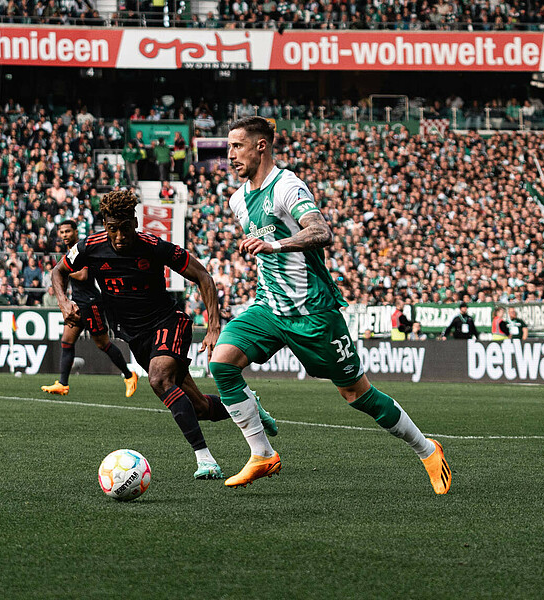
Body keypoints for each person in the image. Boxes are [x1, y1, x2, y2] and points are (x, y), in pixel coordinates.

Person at [208, 116, 450, 494]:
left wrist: (276, 244)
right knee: (221, 364)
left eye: (237, 146)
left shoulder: (287, 186)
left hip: (314, 314)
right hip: (270, 307)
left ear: (261, 146)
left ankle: (427, 449)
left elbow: (321, 231)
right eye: (228, 147)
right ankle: (262, 454)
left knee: (356, 394)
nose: (230, 155)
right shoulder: (238, 199)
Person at [51, 190, 271, 480]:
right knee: (200, 407)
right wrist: (64, 302)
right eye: (112, 229)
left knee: (158, 379)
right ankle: (247, 406)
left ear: (135, 222)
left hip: (168, 321)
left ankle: (205, 460)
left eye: (125, 228)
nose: (119, 236)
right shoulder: (89, 246)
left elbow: (203, 276)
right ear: (105, 225)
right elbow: (58, 271)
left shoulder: (153, 246)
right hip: (135, 335)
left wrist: (214, 325)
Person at [41, 220, 139, 399]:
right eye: (62, 232)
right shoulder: (69, 253)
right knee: (67, 342)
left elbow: (84, 275)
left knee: (103, 344)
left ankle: (129, 375)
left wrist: (61, 271)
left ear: (76, 232)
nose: (64, 235)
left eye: (68, 231)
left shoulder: (82, 249)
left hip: (91, 303)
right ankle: (63, 383)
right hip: (78, 303)